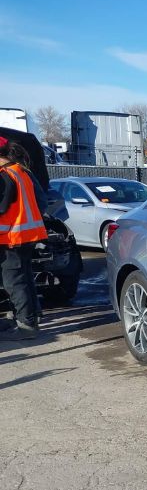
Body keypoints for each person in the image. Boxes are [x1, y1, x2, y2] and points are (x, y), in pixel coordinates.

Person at [0, 138, 48, 340]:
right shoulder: (20, 171)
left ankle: (26, 326)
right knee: (25, 277)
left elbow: (1, 207)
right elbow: (40, 202)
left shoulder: (5, 175)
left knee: (14, 282)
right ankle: (31, 317)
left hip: (12, 237)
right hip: (26, 234)